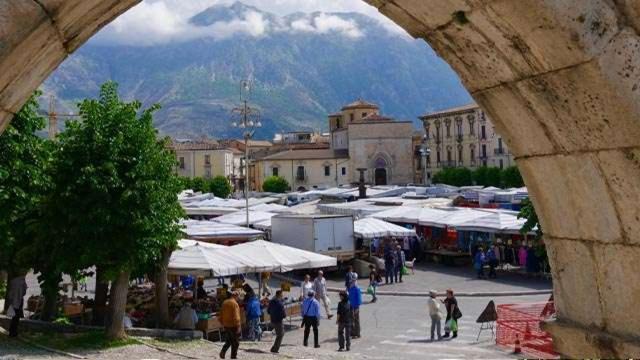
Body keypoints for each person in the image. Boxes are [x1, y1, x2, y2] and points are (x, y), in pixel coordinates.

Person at [219, 291, 241, 359]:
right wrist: (238, 326)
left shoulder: (225, 302)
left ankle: (222, 352)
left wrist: (222, 323)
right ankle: (233, 356)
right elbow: (236, 316)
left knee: (229, 340)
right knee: (235, 342)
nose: (238, 298)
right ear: (235, 296)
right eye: (238, 297)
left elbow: (221, 314)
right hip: (233, 325)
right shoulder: (235, 304)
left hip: (226, 325)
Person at [7, 273, 27, 337]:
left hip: (13, 300)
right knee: (16, 317)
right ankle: (14, 332)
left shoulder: (12, 281)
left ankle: (11, 331)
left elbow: (10, 292)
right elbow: (24, 292)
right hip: (19, 300)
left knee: (14, 316)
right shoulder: (23, 281)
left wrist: (10, 300)